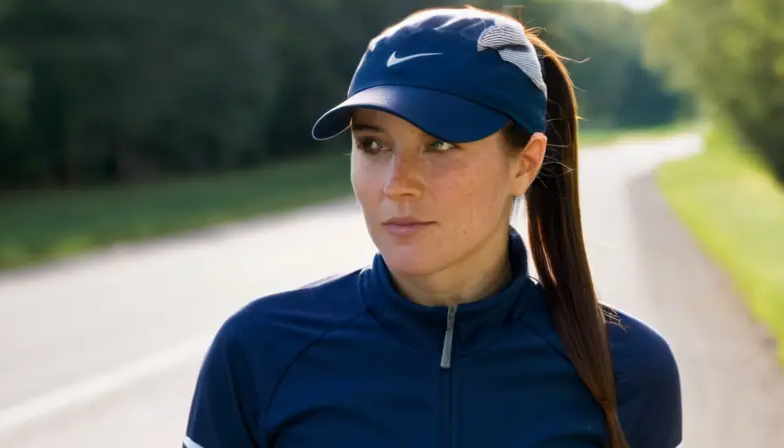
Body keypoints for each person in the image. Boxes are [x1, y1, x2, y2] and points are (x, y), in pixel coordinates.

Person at [182, 6, 682, 448]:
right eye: (374, 145)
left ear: (525, 163)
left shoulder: (628, 371)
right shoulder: (260, 353)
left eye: (440, 144)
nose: (398, 185)